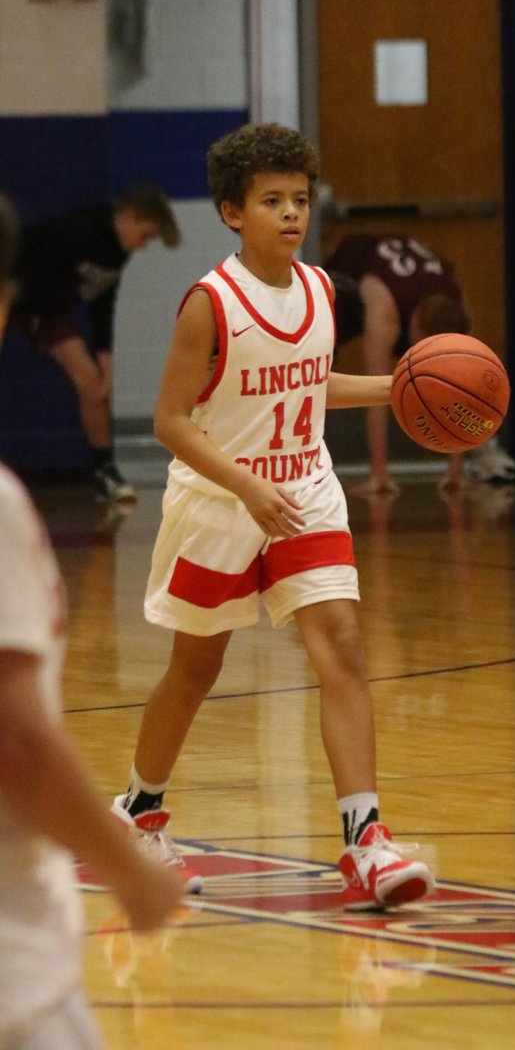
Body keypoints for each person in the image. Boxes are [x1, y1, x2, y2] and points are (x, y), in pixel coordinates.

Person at [111, 123, 434, 910]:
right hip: (222, 502)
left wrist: (397, 385)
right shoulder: (210, 304)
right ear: (231, 211)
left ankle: (366, 841)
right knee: (197, 668)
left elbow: (309, 384)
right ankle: (138, 811)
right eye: (271, 201)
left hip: (306, 492)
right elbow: (171, 420)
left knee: (343, 648)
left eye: (299, 199)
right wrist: (245, 485)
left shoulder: (323, 290)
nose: (290, 213)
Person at [0, 193, 184, 1050]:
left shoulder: (111, 265)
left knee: (94, 378)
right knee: (84, 380)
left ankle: (106, 465)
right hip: (16, 982)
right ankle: (108, 466)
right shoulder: (72, 236)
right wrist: (130, 878)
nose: (147, 243)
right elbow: (19, 745)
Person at [11, 185, 181, 503]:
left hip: (48, 312)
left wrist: (105, 356)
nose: (144, 245)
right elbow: (25, 267)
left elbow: (103, 299)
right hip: (15, 294)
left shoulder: (119, 249)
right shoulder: (75, 230)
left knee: (93, 384)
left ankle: (105, 472)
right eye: (145, 235)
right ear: (129, 217)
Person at [323, 232, 515, 494]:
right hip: (348, 276)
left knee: (450, 377)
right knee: (323, 365)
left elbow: (463, 389)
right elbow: (376, 388)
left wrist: (455, 472)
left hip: (408, 276)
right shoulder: (385, 307)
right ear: (416, 325)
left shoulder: (457, 307)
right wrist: (380, 476)